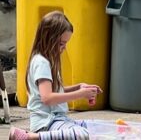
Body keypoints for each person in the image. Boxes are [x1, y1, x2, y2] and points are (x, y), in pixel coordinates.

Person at [9, 11, 102, 140]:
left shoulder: (46, 60)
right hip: (46, 123)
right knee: (82, 134)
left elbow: (55, 90)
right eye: (61, 43)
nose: (64, 48)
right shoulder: (42, 62)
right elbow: (47, 97)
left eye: (66, 44)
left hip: (56, 119)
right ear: (48, 38)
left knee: (91, 128)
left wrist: (79, 87)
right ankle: (31, 138)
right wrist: (81, 94)